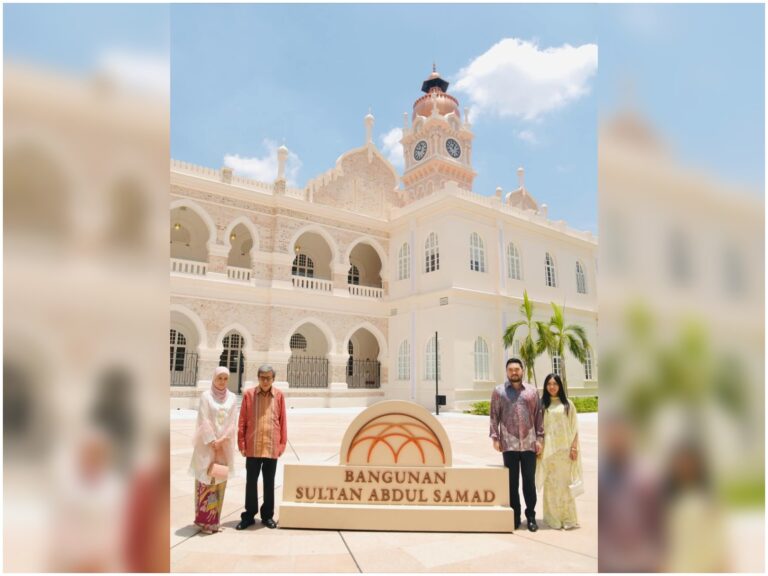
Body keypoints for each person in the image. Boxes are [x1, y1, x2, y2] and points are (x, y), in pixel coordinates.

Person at [489, 357, 544, 531]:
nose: (514, 372)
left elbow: (538, 416)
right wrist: (495, 438)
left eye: (517, 369)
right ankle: (515, 516)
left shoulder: (532, 392)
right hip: (508, 444)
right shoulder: (499, 392)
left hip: (529, 444)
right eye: (510, 369)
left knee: (529, 482)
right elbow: (494, 415)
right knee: (512, 483)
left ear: (522, 370)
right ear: (507, 372)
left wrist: (540, 438)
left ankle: (531, 516)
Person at [236, 364, 287, 530]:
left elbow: (282, 420)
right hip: (253, 445)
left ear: (273, 379)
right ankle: (249, 515)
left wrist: (282, 444)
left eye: (268, 378)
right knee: (251, 482)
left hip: (271, 445)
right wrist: (241, 443)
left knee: (269, 482)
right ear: (258, 378)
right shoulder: (249, 395)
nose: (265, 381)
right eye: (262, 378)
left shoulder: (279, 395)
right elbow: (242, 420)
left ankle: (267, 516)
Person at [188, 366, 238, 534]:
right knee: (205, 481)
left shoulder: (232, 397)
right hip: (207, 446)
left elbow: (232, 422)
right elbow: (203, 419)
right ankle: (204, 521)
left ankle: (214, 521)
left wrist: (222, 440)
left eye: (225, 378)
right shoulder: (206, 396)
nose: (222, 381)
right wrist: (212, 441)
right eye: (219, 378)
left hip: (224, 446)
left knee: (219, 481)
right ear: (214, 378)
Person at [536, 373, 583, 530]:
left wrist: (574, 447)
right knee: (551, 485)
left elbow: (574, 427)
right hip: (548, 452)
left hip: (564, 451)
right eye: (549, 384)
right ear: (545, 386)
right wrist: (539, 446)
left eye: (555, 384)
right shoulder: (542, 404)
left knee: (565, 484)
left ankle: (568, 518)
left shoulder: (568, 404)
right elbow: (538, 428)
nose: (552, 387)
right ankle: (553, 518)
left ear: (560, 386)